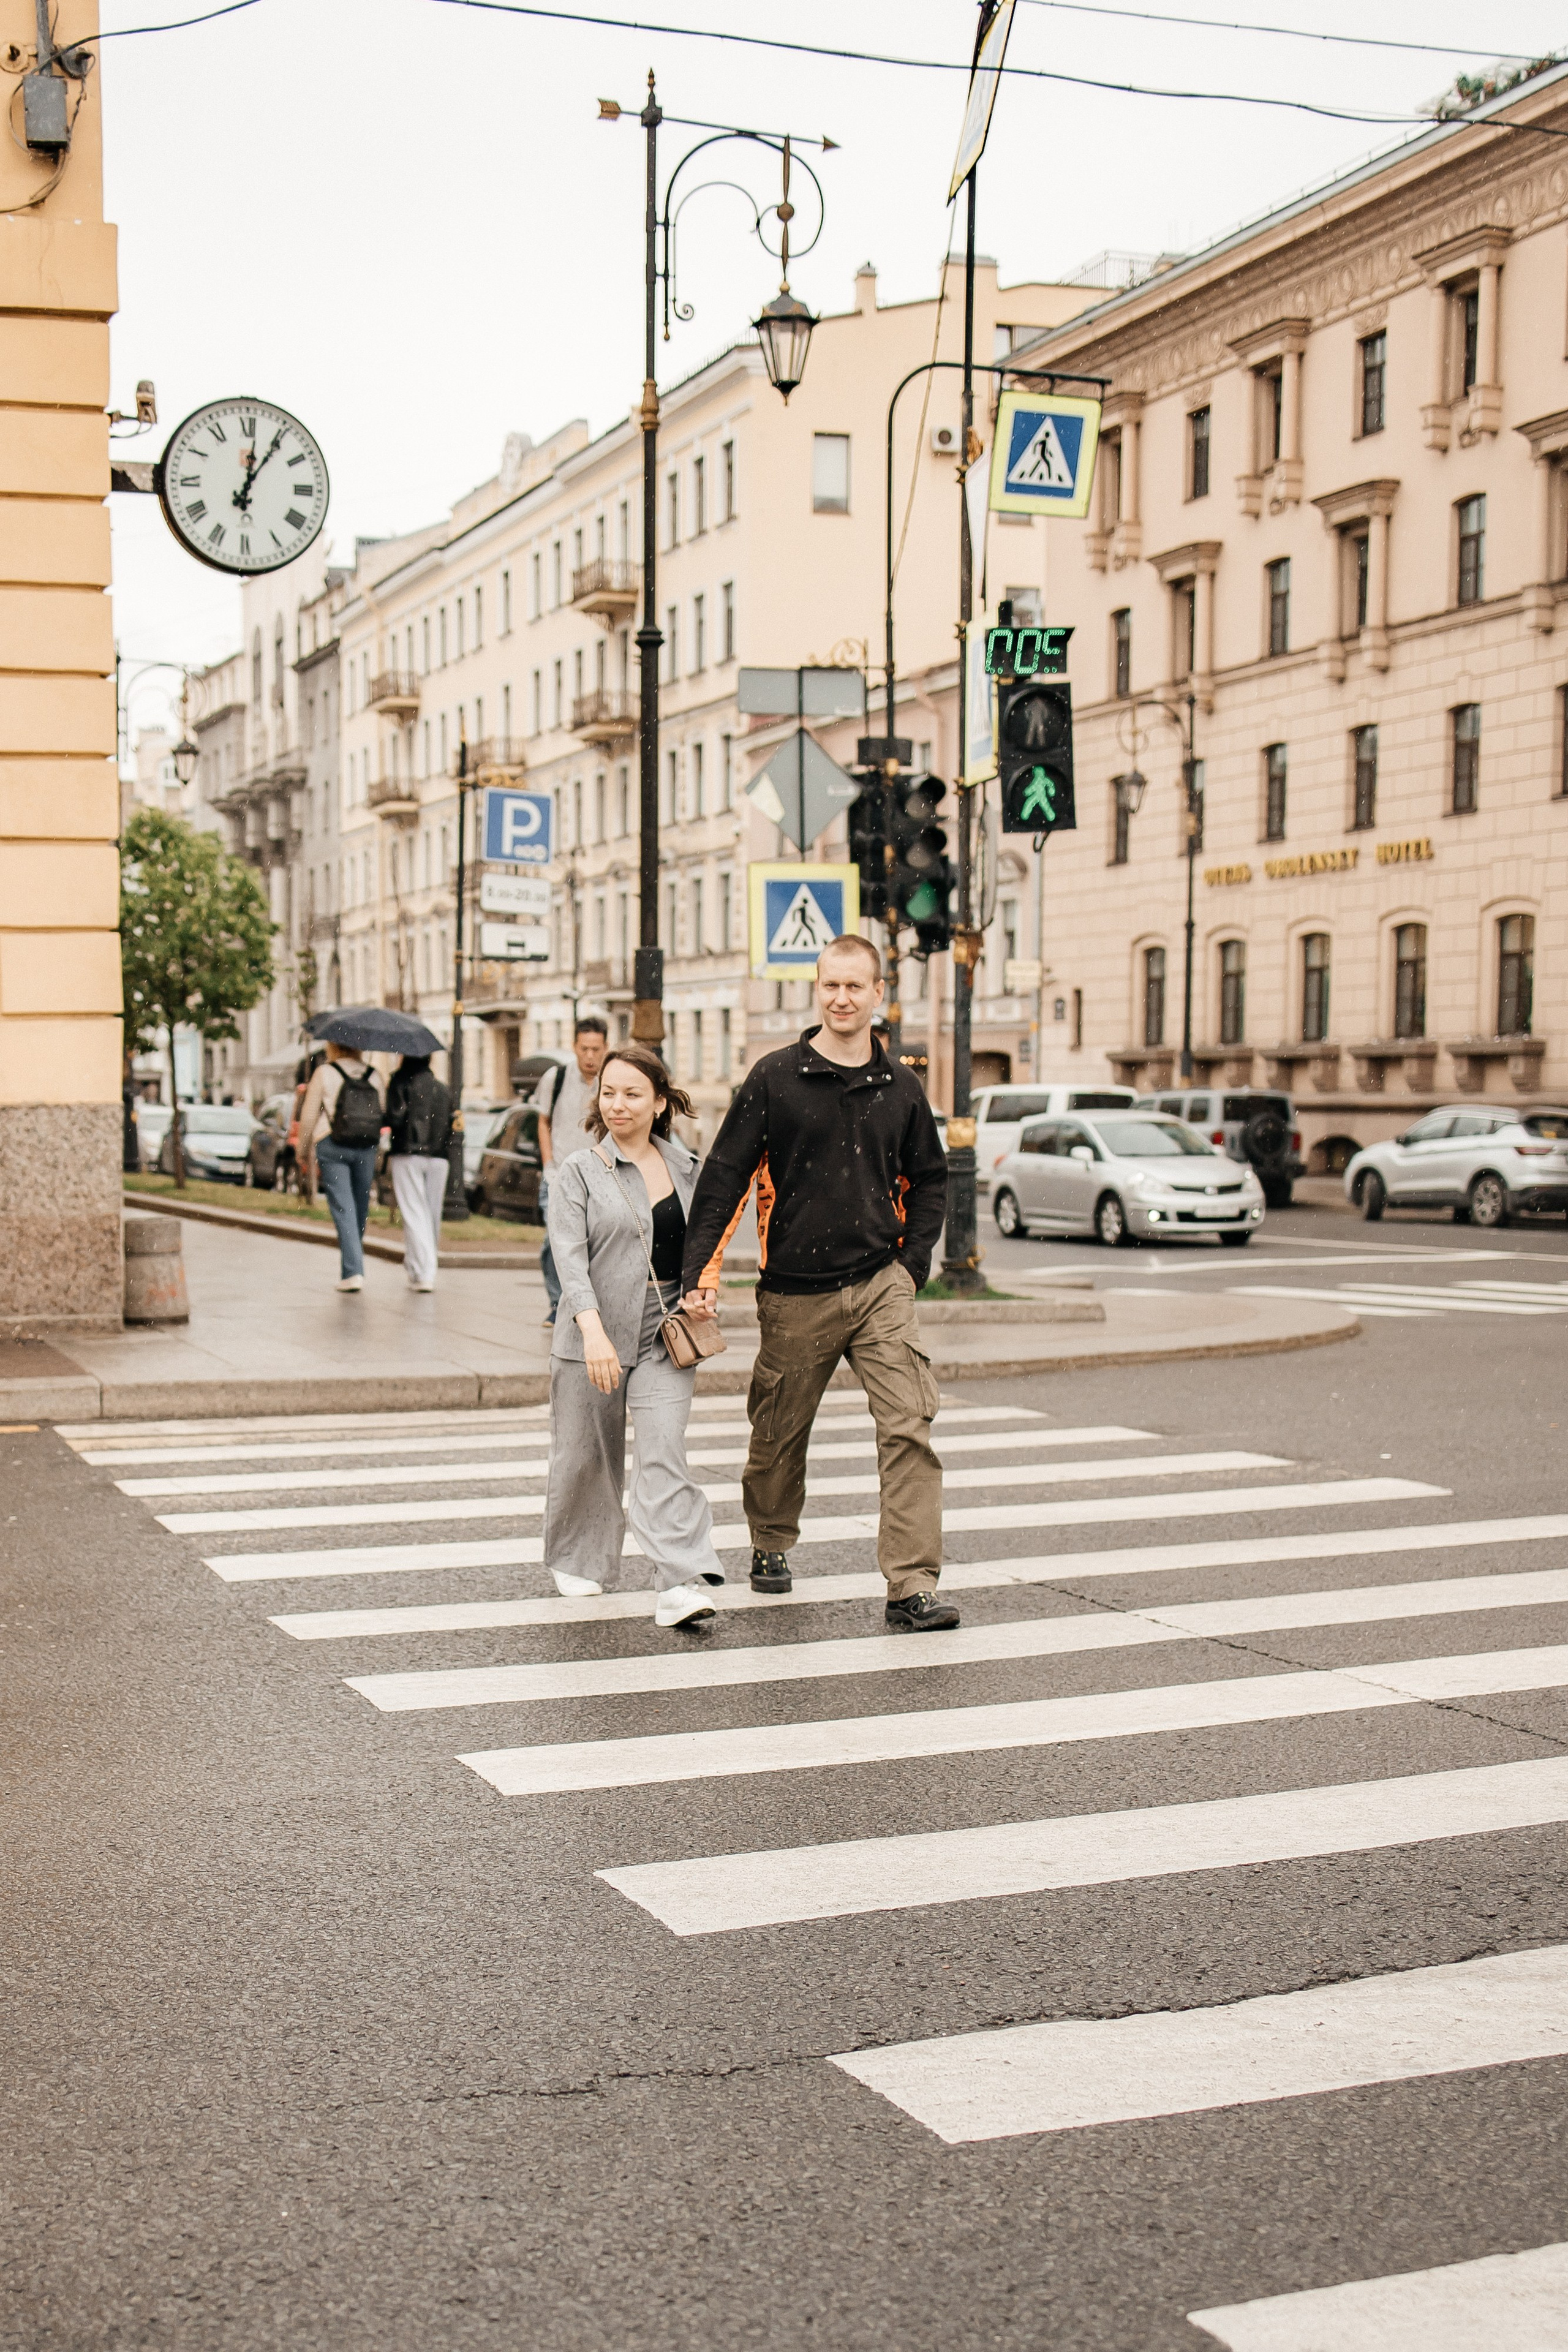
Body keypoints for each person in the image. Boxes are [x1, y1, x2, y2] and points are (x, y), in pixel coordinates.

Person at [680, 933, 958, 1632]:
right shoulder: (775, 1077)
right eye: (830, 986)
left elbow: (929, 1179)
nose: (841, 998)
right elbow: (724, 1178)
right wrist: (698, 1273)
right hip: (794, 1290)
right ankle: (771, 1540)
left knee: (909, 1427)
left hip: (879, 1287)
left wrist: (911, 1264)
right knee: (778, 1433)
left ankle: (910, 1585)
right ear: (818, 990)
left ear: (877, 995)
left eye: (854, 987)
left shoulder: (901, 1087)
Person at [543, 1042, 725, 1630]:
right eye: (609, 1092)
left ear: (660, 1102)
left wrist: (703, 1291)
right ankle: (580, 1556)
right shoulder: (579, 1172)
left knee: (664, 1452)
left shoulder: (685, 1168)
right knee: (586, 1457)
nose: (617, 1104)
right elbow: (570, 1263)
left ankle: (679, 1580)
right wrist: (593, 1335)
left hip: (665, 1333)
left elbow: (702, 1249)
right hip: (593, 1329)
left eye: (632, 1094)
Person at [533, 1016, 609, 1327]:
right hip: (560, 1174)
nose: (590, 1056)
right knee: (555, 1241)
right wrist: (549, 1164)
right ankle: (557, 1302)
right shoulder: (557, 1077)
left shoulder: (610, 1081)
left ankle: (586, 1303)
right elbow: (543, 1121)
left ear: (606, 1048)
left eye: (596, 1049)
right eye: (584, 1049)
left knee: (594, 1241)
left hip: (598, 1174)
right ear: (575, 1047)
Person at [296, 1040, 385, 1292]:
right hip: (366, 1145)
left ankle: (353, 1271)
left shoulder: (324, 1072)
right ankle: (352, 1268)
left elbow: (309, 1116)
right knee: (360, 1205)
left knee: (342, 1206)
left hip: (332, 1143)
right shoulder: (374, 1074)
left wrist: (302, 1150)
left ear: (333, 1046)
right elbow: (383, 1110)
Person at [386, 1052, 454, 1293]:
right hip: (439, 1156)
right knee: (431, 1214)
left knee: (414, 1212)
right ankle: (423, 1267)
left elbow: (395, 1118)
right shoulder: (443, 1089)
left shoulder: (400, 1082)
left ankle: (423, 1271)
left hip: (408, 1153)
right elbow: (451, 1124)